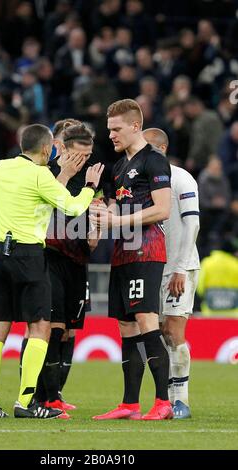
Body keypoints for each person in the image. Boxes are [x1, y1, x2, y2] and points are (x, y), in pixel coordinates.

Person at [0, 123, 104, 419]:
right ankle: (25, 403)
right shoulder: (40, 176)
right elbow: (73, 208)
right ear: (48, 149)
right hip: (29, 254)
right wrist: (88, 186)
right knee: (39, 327)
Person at [90, 99, 172, 420]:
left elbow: (162, 209)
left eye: (116, 129)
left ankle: (163, 402)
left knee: (146, 321)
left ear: (135, 126)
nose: (110, 135)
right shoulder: (120, 166)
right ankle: (129, 404)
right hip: (122, 252)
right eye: (109, 129)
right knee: (126, 326)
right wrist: (102, 210)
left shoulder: (154, 160)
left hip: (147, 250)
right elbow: (117, 207)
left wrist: (116, 221)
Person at [20, 120, 101, 419]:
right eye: (78, 155)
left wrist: (95, 229)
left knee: (67, 330)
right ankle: (44, 397)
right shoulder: (47, 173)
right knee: (48, 328)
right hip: (48, 255)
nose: (84, 161)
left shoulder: (91, 176)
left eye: (87, 156)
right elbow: (52, 205)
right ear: (62, 149)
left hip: (77, 260)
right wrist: (67, 174)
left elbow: (96, 207)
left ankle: (54, 394)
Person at [143, 128, 200, 419]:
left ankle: (182, 402)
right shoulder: (143, 179)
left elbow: (193, 225)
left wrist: (180, 268)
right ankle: (164, 400)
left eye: (149, 146)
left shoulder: (181, 178)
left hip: (180, 267)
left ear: (163, 148)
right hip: (152, 266)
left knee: (173, 330)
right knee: (157, 334)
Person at [197, 238, 238, 318]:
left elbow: (199, 286)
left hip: (210, 312)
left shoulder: (207, 263)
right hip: (233, 314)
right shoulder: (236, 265)